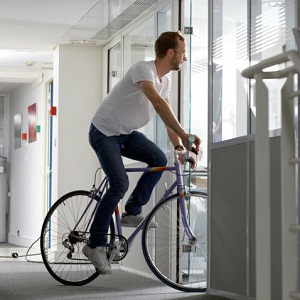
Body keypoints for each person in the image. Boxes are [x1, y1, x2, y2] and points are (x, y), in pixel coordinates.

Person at [83, 31, 201, 274]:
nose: (185, 58)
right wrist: (186, 136)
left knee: (158, 158)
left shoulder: (164, 81)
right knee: (119, 183)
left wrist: (179, 145)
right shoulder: (143, 69)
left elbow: (167, 118)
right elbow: (157, 105)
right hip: (104, 133)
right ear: (171, 53)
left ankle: (131, 211)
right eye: (184, 52)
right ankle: (94, 244)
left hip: (125, 134)